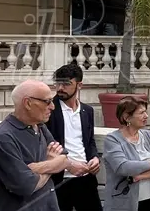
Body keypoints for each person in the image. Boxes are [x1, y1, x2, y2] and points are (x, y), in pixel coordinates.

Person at [0, 80, 81, 211]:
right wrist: (53, 165)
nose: (52, 106)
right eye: (47, 101)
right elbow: (26, 185)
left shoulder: (40, 126)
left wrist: (38, 167)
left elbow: (64, 160)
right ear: (28, 103)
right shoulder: (2, 137)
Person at [48, 63, 103, 211]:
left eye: (66, 84)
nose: (60, 88)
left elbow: (89, 141)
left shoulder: (87, 111)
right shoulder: (48, 109)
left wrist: (95, 158)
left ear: (79, 85)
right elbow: (44, 143)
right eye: (58, 83)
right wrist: (69, 164)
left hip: (86, 179)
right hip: (59, 180)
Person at [103, 97, 150, 211]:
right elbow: (123, 167)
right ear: (127, 117)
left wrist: (139, 176)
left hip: (149, 199)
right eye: (142, 113)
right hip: (124, 202)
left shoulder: (148, 136)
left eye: (146, 112)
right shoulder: (112, 140)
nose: (146, 116)